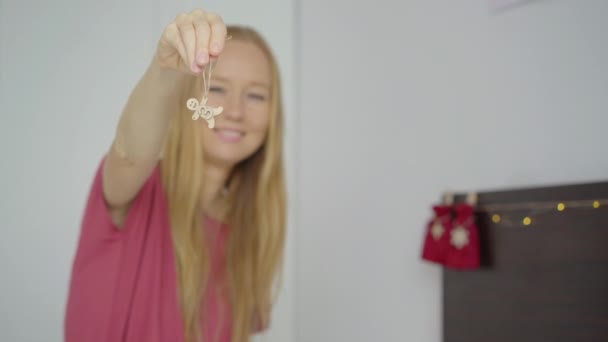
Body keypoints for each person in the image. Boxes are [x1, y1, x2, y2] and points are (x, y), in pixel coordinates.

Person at [64, 8, 287, 342]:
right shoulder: (141, 192)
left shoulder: (250, 232)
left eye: (255, 95)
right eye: (217, 88)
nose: (236, 111)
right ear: (188, 98)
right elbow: (127, 153)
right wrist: (165, 69)